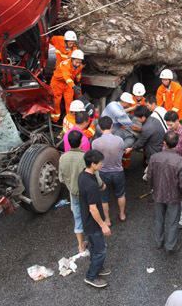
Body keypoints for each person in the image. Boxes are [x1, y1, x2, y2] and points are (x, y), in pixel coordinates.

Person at [59, 130, 105, 255]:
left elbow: (61, 178)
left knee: (78, 219)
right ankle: (97, 242)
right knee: (93, 217)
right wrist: (101, 185)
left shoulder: (62, 157)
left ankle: (80, 246)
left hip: (73, 194)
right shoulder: (85, 157)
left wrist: (70, 185)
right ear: (81, 142)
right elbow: (95, 175)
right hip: (86, 195)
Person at [148, 131, 182, 253]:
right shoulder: (181, 162)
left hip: (158, 193)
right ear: (177, 144)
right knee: (173, 222)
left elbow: (149, 177)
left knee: (159, 219)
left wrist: (153, 189)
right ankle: (170, 246)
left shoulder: (154, 158)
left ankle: (159, 241)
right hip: (174, 196)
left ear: (164, 143)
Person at [78, 150, 111, 288]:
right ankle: (91, 276)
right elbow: (93, 209)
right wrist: (103, 225)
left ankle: (98, 267)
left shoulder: (83, 174)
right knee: (100, 250)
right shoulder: (91, 185)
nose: (102, 164)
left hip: (87, 221)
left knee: (94, 247)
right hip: (93, 223)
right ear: (93, 164)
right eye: (100, 163)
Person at [92, 116, 127, 225]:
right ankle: (122, 214)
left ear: (100, 128)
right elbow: (121, 152)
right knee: (120, 194)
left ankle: (107, 220)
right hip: (118, 171)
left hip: (103, 173)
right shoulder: (119, 140)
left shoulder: (95, 143)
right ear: (112, 126)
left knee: (104, 198)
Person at [51, 49, 83, 123]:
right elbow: (67, 77)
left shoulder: (79, 66)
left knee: (69, 102)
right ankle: (55, 120)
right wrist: (74, 86)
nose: (78, 64)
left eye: (79, 62)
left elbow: (78, 74)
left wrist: (78, 83)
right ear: (72, 59)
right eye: (76, 62)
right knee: (56, 102)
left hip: (68, 85)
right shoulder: (65, 65)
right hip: (58, 83)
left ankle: (70, 120)